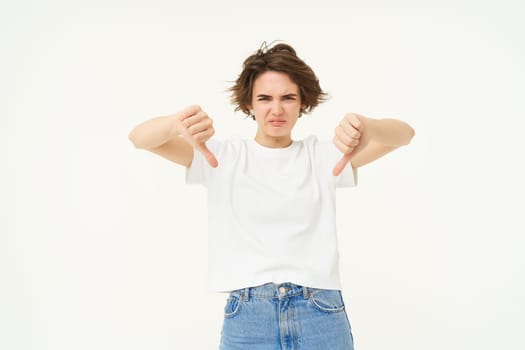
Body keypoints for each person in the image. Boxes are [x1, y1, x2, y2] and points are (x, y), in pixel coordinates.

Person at [128, 41, 414, 350]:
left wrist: (371, 127)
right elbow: (139, 139)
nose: (276, 109)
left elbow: (405, 134)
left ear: (302, 102)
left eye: (288, 98)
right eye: (264, 98)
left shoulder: (322, 156)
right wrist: (175, 124)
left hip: (319, 311)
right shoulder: (223, 157)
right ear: (249, 104)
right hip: (250, 316)